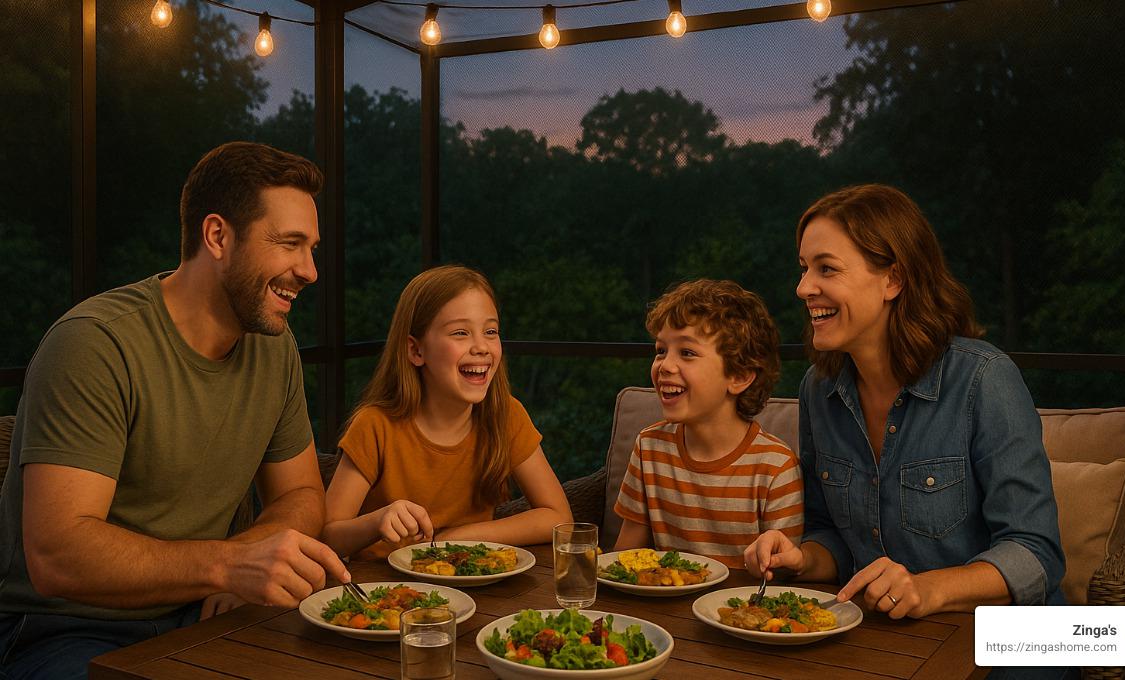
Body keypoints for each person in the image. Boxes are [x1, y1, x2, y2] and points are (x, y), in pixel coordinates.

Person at [0, 142, 351, 679]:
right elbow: (58, 555)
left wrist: (235, 572)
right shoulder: (95, 345)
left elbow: (304, 496)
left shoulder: (273, 347)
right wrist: (227, 566)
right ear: (217, 237)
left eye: (312, 248)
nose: (310, 270)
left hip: (203, 613)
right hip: (63, 631)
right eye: (290, 244)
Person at [745, 184, 1065, 619]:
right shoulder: (819, 389)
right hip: (891, 642)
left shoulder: (984, 379)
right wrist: (801, 558)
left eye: (827, 269)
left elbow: (1036, 554)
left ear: (893, 279)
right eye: (803, 268)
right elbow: (832, 536)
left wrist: (927, 589)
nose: (803, 288)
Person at [321, 265, 571, 560]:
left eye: (490, 331)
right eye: (460, 333)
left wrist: (459, 538)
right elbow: (328, 537)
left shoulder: (506, 415)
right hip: (385, 592)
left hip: (480, 594)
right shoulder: (374, 425)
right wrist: (377, 521)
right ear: (416, 351)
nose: (481, 347)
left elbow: (559, 519)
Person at [613, 279, 803, 569]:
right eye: (661, 350)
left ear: (739, 376)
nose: (665, 365)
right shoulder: (649, 447)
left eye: (686, 353)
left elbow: (784, 574)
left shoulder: (776, 467)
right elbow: (624, 559)